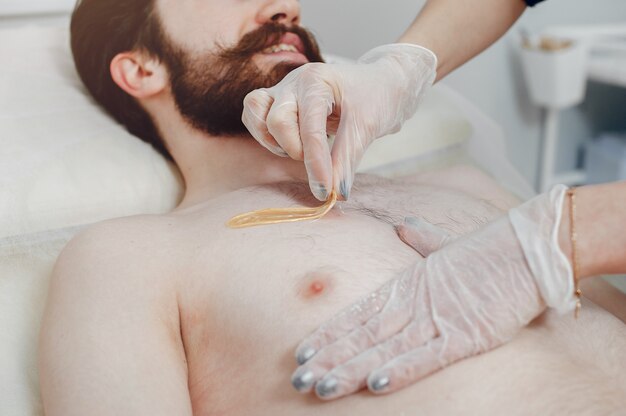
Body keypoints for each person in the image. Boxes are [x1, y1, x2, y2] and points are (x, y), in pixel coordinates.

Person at [38, 1, 626, 415]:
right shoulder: (129, 257)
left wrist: (403, 64)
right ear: (140, 68)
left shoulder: (465, 183)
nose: (287, 7)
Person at [239, 0, 626, 399]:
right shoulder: (173, 250)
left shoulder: (464, 183)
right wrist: (401, 67)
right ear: (163, 68)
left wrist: (564, 237)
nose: (289, 6)